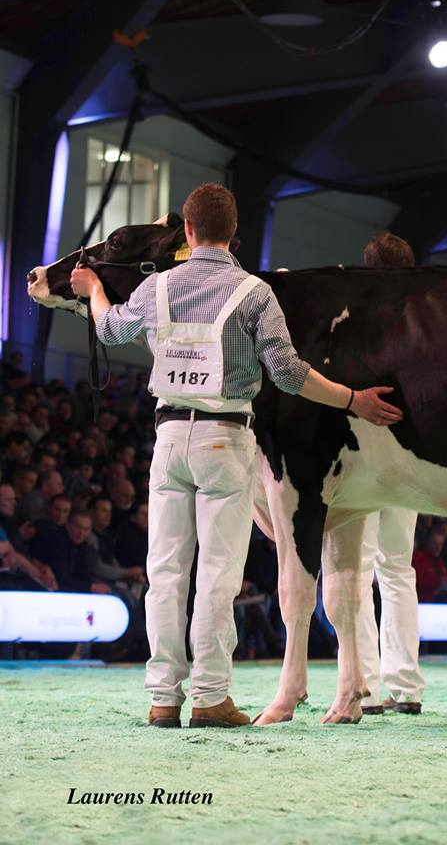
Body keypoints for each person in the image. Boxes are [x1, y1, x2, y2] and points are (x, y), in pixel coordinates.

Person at [70, 182, 402, 729]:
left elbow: (109, 328)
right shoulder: (255, 293)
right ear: (235, 235)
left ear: (190, 232)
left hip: (170, 436)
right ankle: (210, 696)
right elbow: (290, 374)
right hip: (225, 438)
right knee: (219, 573)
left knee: (165, 570)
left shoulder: (159, 289)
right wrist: (352, 400)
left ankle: (162, 697)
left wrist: (91, 289)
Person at [355, 232, 426, 716]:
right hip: (410, 455)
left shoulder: (353, 317)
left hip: (360, 451)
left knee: (355, 569)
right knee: (398, 569)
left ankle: (363, 685)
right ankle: (407, 686)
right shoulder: (426, 318)